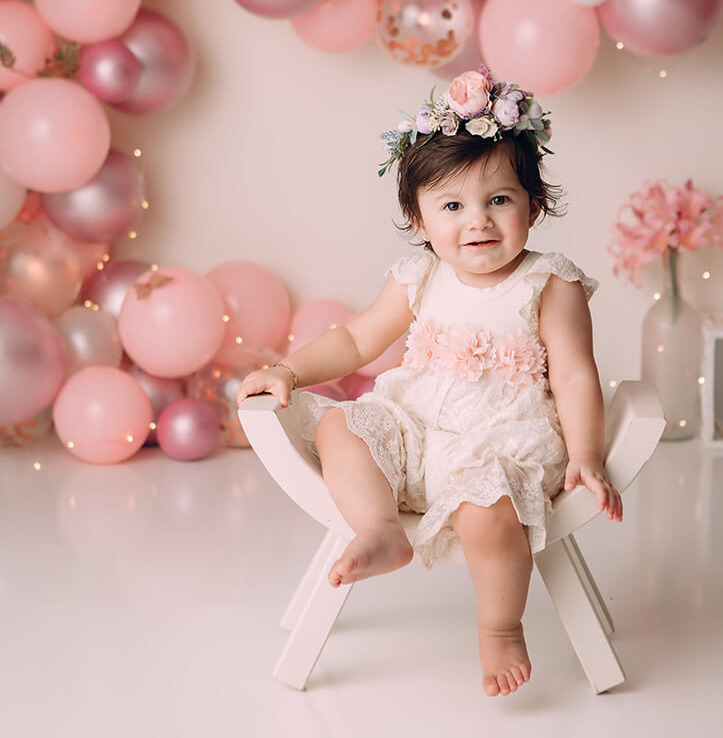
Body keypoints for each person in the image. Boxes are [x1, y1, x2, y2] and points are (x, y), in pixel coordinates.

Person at [237, 68, 622, 698]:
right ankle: (380, 529)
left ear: (535, 204)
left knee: (490, 509)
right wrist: (287, 370)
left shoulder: (550, 282)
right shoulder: (418, 276)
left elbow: (577, 373)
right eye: (452, 206)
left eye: (499, 200)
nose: (479, 222)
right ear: (418, 218)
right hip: (418, 424)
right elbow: (358, 341)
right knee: (343, 424)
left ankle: (499, 627)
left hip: (502, 436)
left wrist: (584, 454)